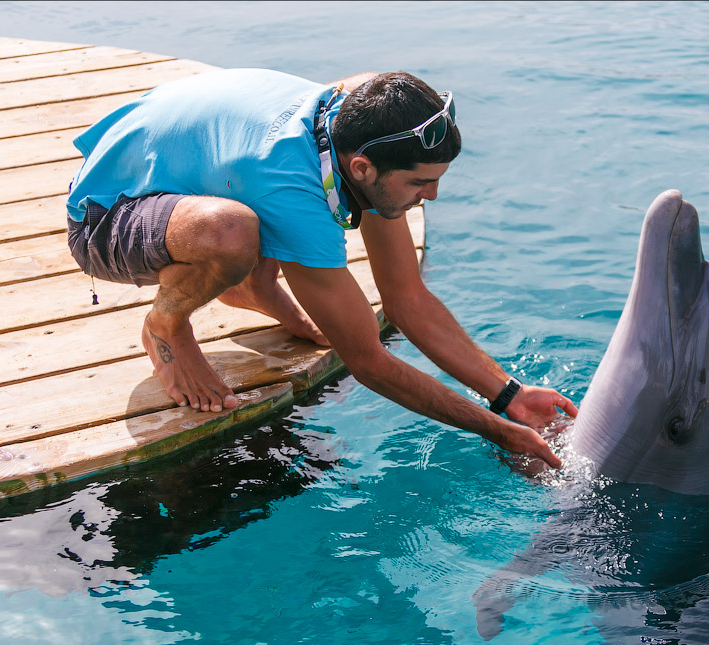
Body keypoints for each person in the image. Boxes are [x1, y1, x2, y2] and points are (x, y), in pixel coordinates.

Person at [66, 68, 576, 468]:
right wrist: (500, 431)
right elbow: (369, 362)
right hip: (106, 212)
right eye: (421, 182)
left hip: (186, 168)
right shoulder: (296, 188)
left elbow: (406, 299)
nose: (433, 195)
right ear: (362, 169)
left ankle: (251, 288)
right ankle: (166, 326)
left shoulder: (366, 114)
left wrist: (508, 394)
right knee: (230, 232)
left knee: (244, 214)